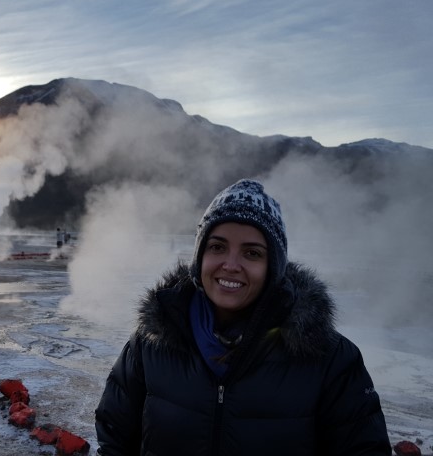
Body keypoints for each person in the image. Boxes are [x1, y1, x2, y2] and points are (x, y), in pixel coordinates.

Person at [94, 179, 391, 455]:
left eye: (252, 253)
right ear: (200, 258)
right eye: (217, 247)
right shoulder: (150, 344)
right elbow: (115, 436)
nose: (231, 264)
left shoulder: (331, 360)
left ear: (272, 268)